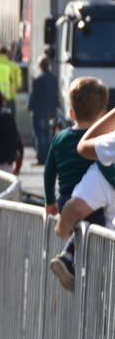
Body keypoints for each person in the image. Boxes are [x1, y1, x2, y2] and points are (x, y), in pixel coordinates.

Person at [45, 80, 115, 290]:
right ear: (102, 112)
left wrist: (50, 202)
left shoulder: (61, 138)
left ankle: (68, 258)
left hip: (70, 197)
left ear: (72, 111)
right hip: (89, 200)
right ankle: (70, 259)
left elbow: (49, 171)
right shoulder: (104, 153)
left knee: (82, 232)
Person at [31, 56, 59, 152]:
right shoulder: (54, 78)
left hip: (39, 110)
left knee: (40, 134)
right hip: (50, 110)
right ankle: (48, 155)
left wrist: (30, 106)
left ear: (40, 65)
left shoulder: (38, 78)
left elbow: (33, 94)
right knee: (48, 133)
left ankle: (41, 156)